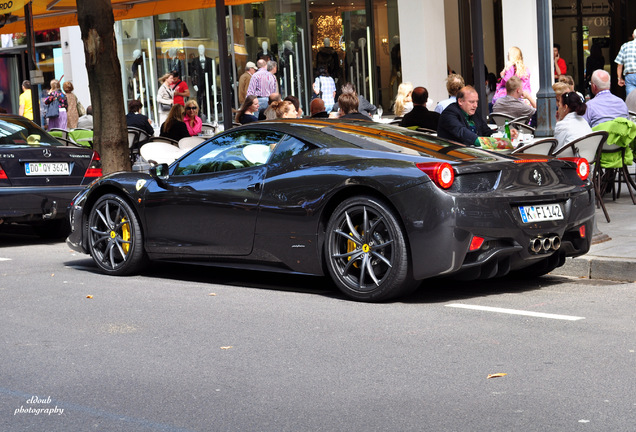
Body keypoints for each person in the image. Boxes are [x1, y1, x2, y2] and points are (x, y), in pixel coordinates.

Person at [438, 85, 511, 146]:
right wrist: (491, 143)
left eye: (476, 101)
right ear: (460, 101)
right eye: (471, 102)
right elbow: (462, 132)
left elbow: (486, 131)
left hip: (476, 153)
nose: (475, 105)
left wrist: (503, 135)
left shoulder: (474, 113)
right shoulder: (449, 113)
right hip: (455, 156)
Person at [615, 29, 636, 96]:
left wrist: (619, 78)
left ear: (633, 36)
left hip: (630, 76)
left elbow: (619, 64)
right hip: (630, 76)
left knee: (631, 99)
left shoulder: (625, 46)